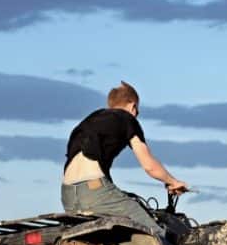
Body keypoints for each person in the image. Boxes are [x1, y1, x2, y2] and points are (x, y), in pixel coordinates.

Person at [61, 81, 188, 235]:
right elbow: (149, 166)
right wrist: (173, 182)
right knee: (154, 233)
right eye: (137, 112)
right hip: (94, 191)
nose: (136, 115)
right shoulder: (127, 119)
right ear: (132, 106)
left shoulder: (90, 121)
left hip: (68, 195)